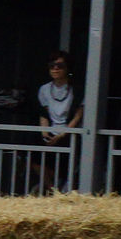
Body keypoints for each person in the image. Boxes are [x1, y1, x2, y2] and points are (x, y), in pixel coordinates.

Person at [33, 50, 81, 192]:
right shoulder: (44, 89)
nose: (55, 69)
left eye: (60, 66)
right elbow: (44, 113)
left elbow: (78, 115)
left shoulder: (76, 90)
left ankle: (61, 185)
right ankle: (53, 189)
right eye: (52, 65)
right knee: (35, 154)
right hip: (51, 131)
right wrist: (44, 132)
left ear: (67, 68)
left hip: (69, 132)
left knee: (66, 158)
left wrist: (63, 133)